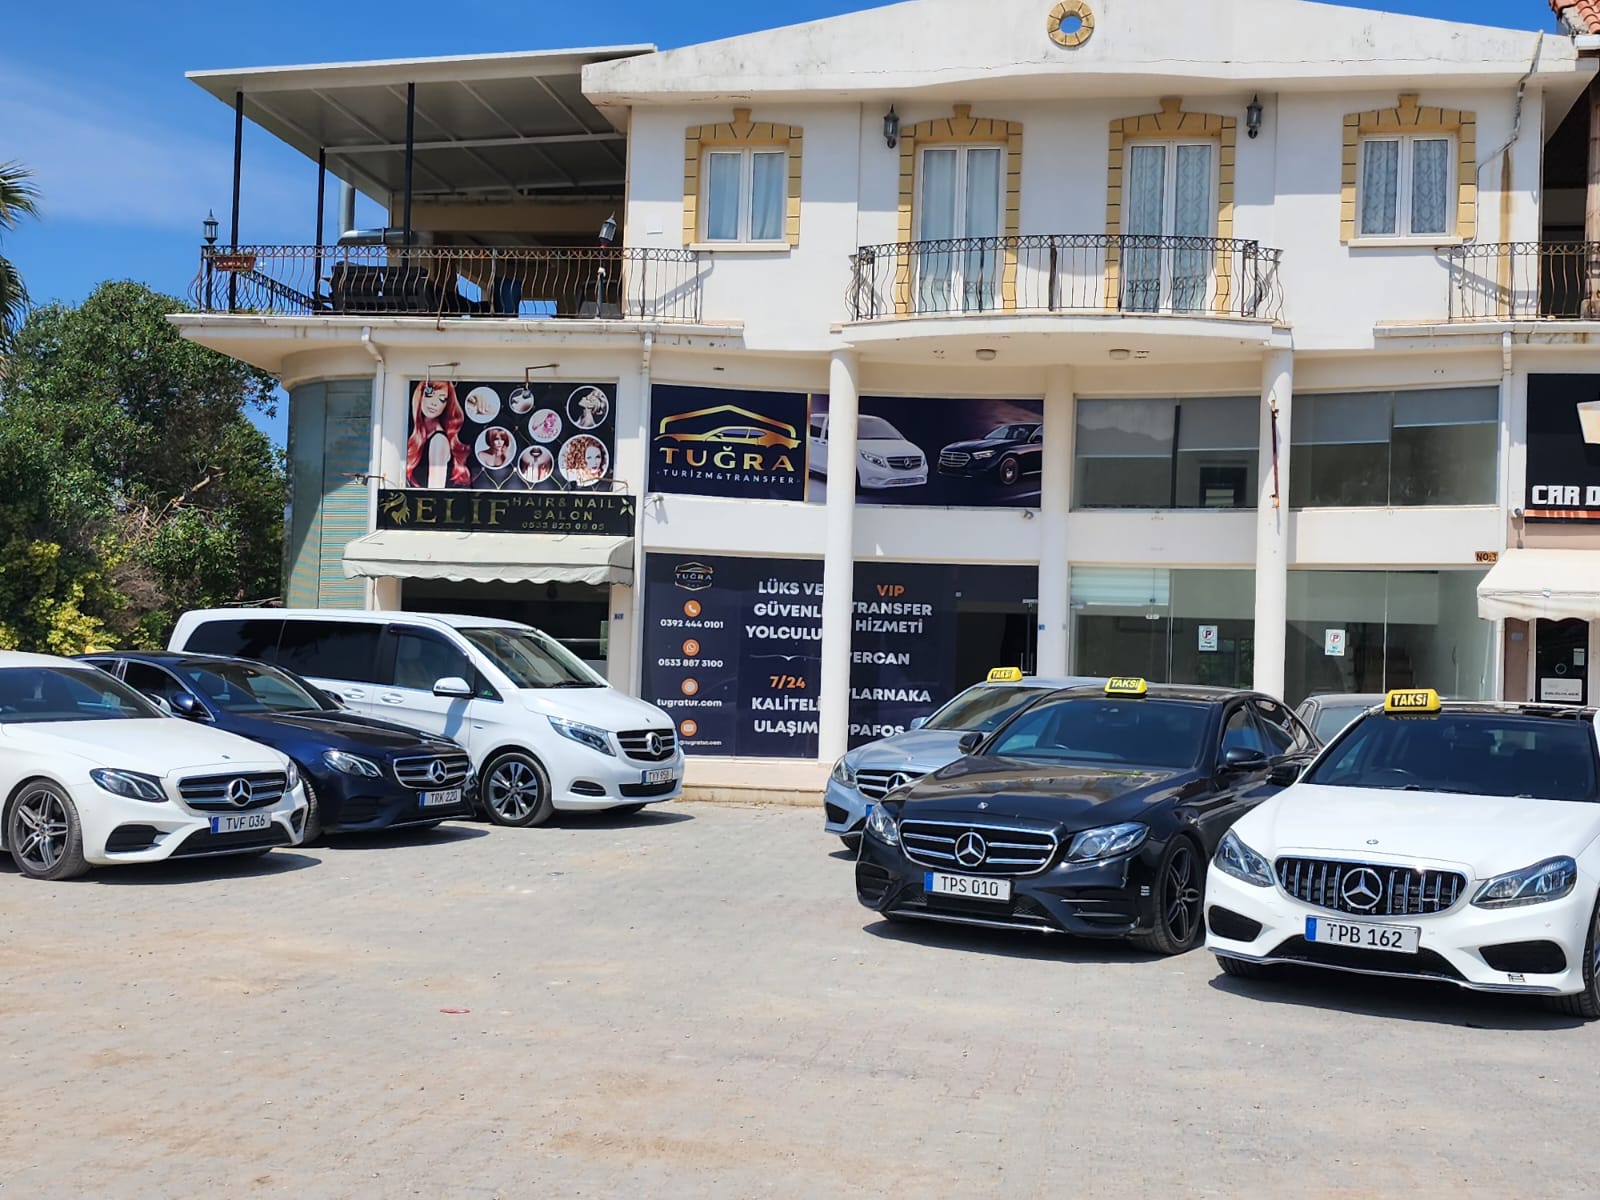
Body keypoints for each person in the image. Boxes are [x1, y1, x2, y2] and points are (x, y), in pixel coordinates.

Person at [406, 381, 471, 488]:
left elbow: (435, 490)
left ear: (446, 405)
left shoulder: (438, 440)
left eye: (442, 399)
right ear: (420, 396)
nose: (434, 403)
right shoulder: (421, 436)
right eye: (430, 395)